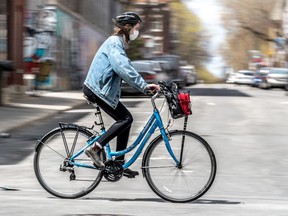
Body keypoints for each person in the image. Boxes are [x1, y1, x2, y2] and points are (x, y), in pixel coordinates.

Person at [83, 12, 160, 178]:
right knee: (125, 119)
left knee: (126, 120)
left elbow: (122, 68)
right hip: (97, 89)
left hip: (100, 89)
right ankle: (95, 148)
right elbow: (123, 68)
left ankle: (118, 164)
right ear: (128, 27)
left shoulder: (118, 43)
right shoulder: (114, 43)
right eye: (136, 28)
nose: (136, 32)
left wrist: (144, 85)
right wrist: (144, 86)